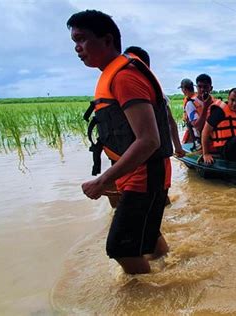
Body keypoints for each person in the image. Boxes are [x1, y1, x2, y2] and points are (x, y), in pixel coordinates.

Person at [68, 10, 172, 274]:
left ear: (107, 40)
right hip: (137, 173)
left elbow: (148, 140)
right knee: (146, 235)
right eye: (74, 42)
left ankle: (152, 301)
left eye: (82, 39)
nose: (77, 49)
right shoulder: (114, 73)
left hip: (144, 175)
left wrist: (102, 180)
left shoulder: (124, 76)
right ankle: (170, 268)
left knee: (121, 247)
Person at [124, 46, 185, 157]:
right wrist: (178, 148)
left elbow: (170, 122)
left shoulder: (157, 94)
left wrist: (178, 148)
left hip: (150, 161)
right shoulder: (157, 93)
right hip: (143, 159)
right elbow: (171, 123)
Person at [178, 78, 199, 145]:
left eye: (182, 89)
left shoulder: (190, 102)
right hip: (195, 127)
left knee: (185, 144)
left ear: (184, 89)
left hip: (194, 129)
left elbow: (194, 122)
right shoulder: (198, 97)